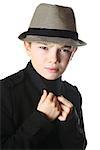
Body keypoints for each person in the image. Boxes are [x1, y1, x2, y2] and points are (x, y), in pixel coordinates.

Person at [0, 3, 87, 150]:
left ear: (72, 53)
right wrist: (41, 118)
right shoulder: (5, 92)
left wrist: (70, 123)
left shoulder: (72, 94)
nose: (54, 59)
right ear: (28, 46)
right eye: (44, 47)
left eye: (64, 49)